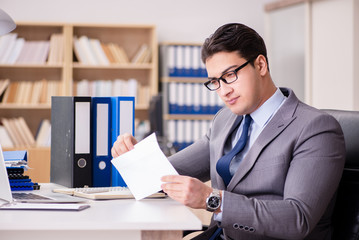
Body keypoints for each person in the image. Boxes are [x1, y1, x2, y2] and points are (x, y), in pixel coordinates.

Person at [111, 23, 345, 240]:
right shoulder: (225, 119)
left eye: (230, 75)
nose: (223, 91)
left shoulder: (315, 128)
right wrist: (136, 157)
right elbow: (168, 176)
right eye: (215, 81)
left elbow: (297, 218)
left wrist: (211, 199)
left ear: (260, 65)